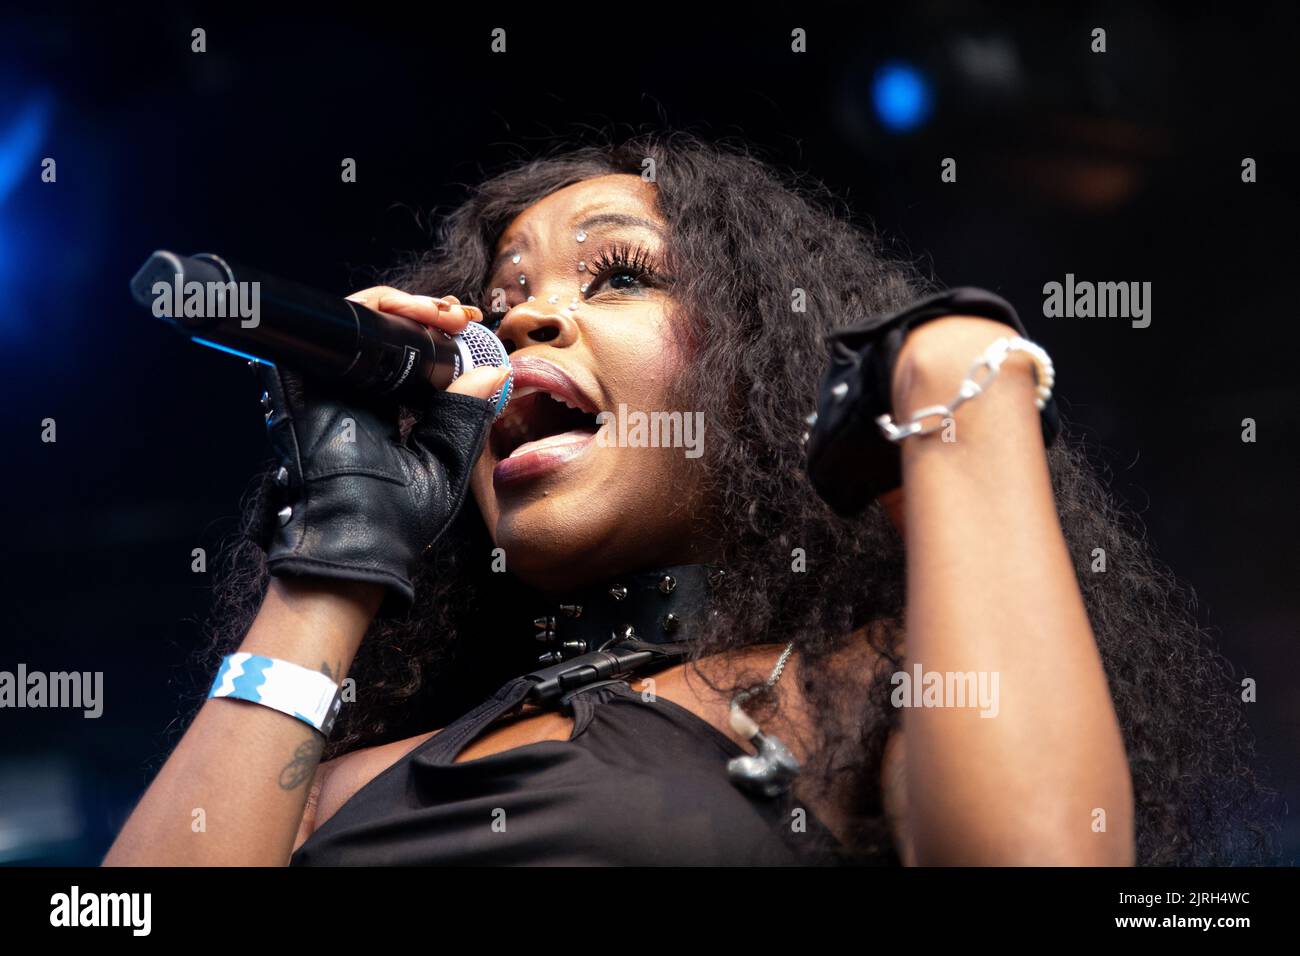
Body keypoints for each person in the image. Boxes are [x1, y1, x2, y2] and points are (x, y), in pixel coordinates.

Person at [104, 133, 1274, 866]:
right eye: (501, 298)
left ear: (758, 373)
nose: (520, 321)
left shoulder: (852, 697)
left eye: (617, 275)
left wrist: (956, 387)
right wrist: (340, 544)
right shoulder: (336, 788)